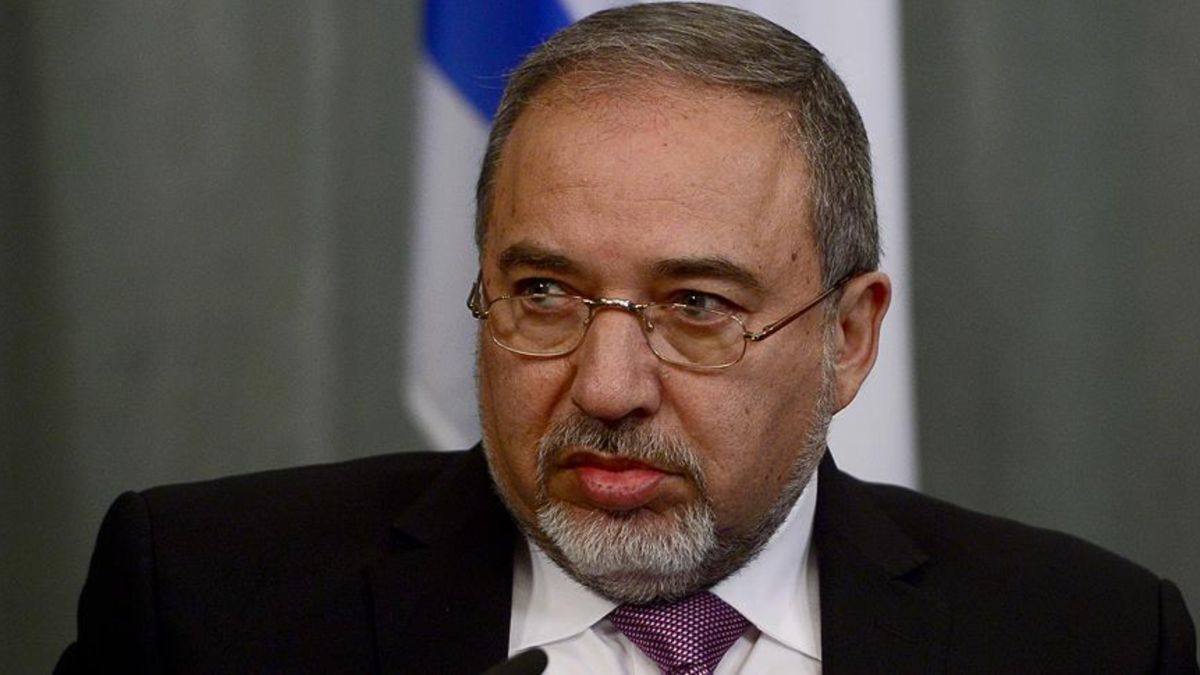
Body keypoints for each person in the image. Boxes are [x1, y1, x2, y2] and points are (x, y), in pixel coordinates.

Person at [57, 3, 1197, 674]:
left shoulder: (1088, 642)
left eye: (696, 306)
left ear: (849, 338)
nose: (606, 387)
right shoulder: (202, 608)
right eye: (546, 291)